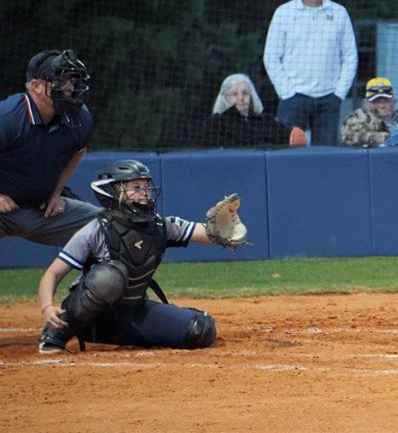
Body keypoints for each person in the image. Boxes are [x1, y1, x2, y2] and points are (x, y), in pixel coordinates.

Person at [37, 159, 231, 354]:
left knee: (200, 329)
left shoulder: (159, 225)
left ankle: (122, 332)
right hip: (92, 316)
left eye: (146, 186)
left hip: (133, 309)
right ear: (113, 191)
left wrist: (224, 229)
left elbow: (206, 233)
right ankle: (56, 335)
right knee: (108, 278)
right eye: (135, 187)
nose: (145, 192)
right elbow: (52, 274)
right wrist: (47, 308)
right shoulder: (96, 230)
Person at [0, 49, 102, 247]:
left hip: (39, 211)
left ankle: (97, 279)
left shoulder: (79, 118)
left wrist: (56, 192)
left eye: (71, 80)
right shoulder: (8, 117)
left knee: (111, 229)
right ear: (36, 86)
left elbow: (79, 151)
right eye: (60, 80)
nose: (69, 87)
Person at [263, 0, 358, 146]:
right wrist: (287, 92)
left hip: (328, 99)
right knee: (287, 155)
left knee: (326, 158)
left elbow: (350, 56)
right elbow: (271, 56)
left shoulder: (339, 13)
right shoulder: (284, 13)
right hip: (293, 98)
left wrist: (339, 92)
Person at [203, 73, 307, 147]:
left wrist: (295, 135)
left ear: (252, 96)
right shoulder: (215, 124)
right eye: (234, 94)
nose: (240, 98)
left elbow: (287, 136)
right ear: (225, 98)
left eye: (245, 93)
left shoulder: (266, 122)